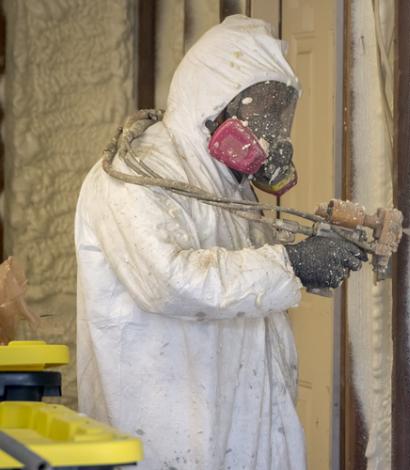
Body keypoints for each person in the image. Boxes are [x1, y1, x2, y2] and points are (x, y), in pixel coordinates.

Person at [74, 15, 362, 469]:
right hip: (166, 438)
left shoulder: (229, 187)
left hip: (241, 434)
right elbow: (169, 282)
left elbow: (242, 273)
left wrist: (308, 249)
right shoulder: (135, 178)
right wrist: (292, 263)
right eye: (261, 112)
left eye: (279, 114)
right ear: (210, 104)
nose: (272, 135)